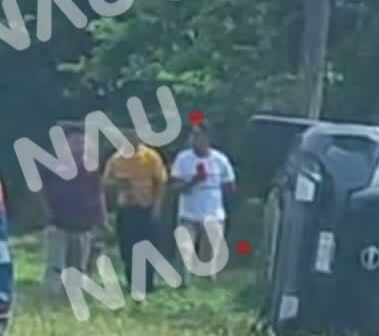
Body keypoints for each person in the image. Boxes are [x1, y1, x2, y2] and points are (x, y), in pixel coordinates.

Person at [40, 126, 106, 297]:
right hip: (58, 223)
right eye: (75, 142)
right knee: (55, 265)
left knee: (79, 266)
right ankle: (52, 295)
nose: (79, 146)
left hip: (83, 225)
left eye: (83, 142)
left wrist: (102, 218)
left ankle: (74, 296)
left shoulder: (91, 169)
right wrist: (45, 213)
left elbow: (99, 193)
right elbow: (40, 191)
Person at [170, 122, 237, 284]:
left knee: (211, 250)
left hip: (213, 212)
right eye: (193, 136)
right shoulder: (183, 158)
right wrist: (194, 180)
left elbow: (230, 185)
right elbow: (175, 186)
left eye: (199, 136)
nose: (195, 139)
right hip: (189, 213)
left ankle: (208, 283)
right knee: (184, 247)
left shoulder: (220, 159)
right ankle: (182, 282)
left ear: (207, 138)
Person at [103, 130, 168, 295]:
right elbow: (105, 183)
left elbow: (160, 183)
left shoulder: (151, 157)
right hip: (126, 209)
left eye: (133, 137)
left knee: (148, 246)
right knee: (127, 247)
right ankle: (132, 282)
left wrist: (157, 207)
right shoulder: (116, 159)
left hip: (146, 208)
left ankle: (148, 283)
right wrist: (119, 185)